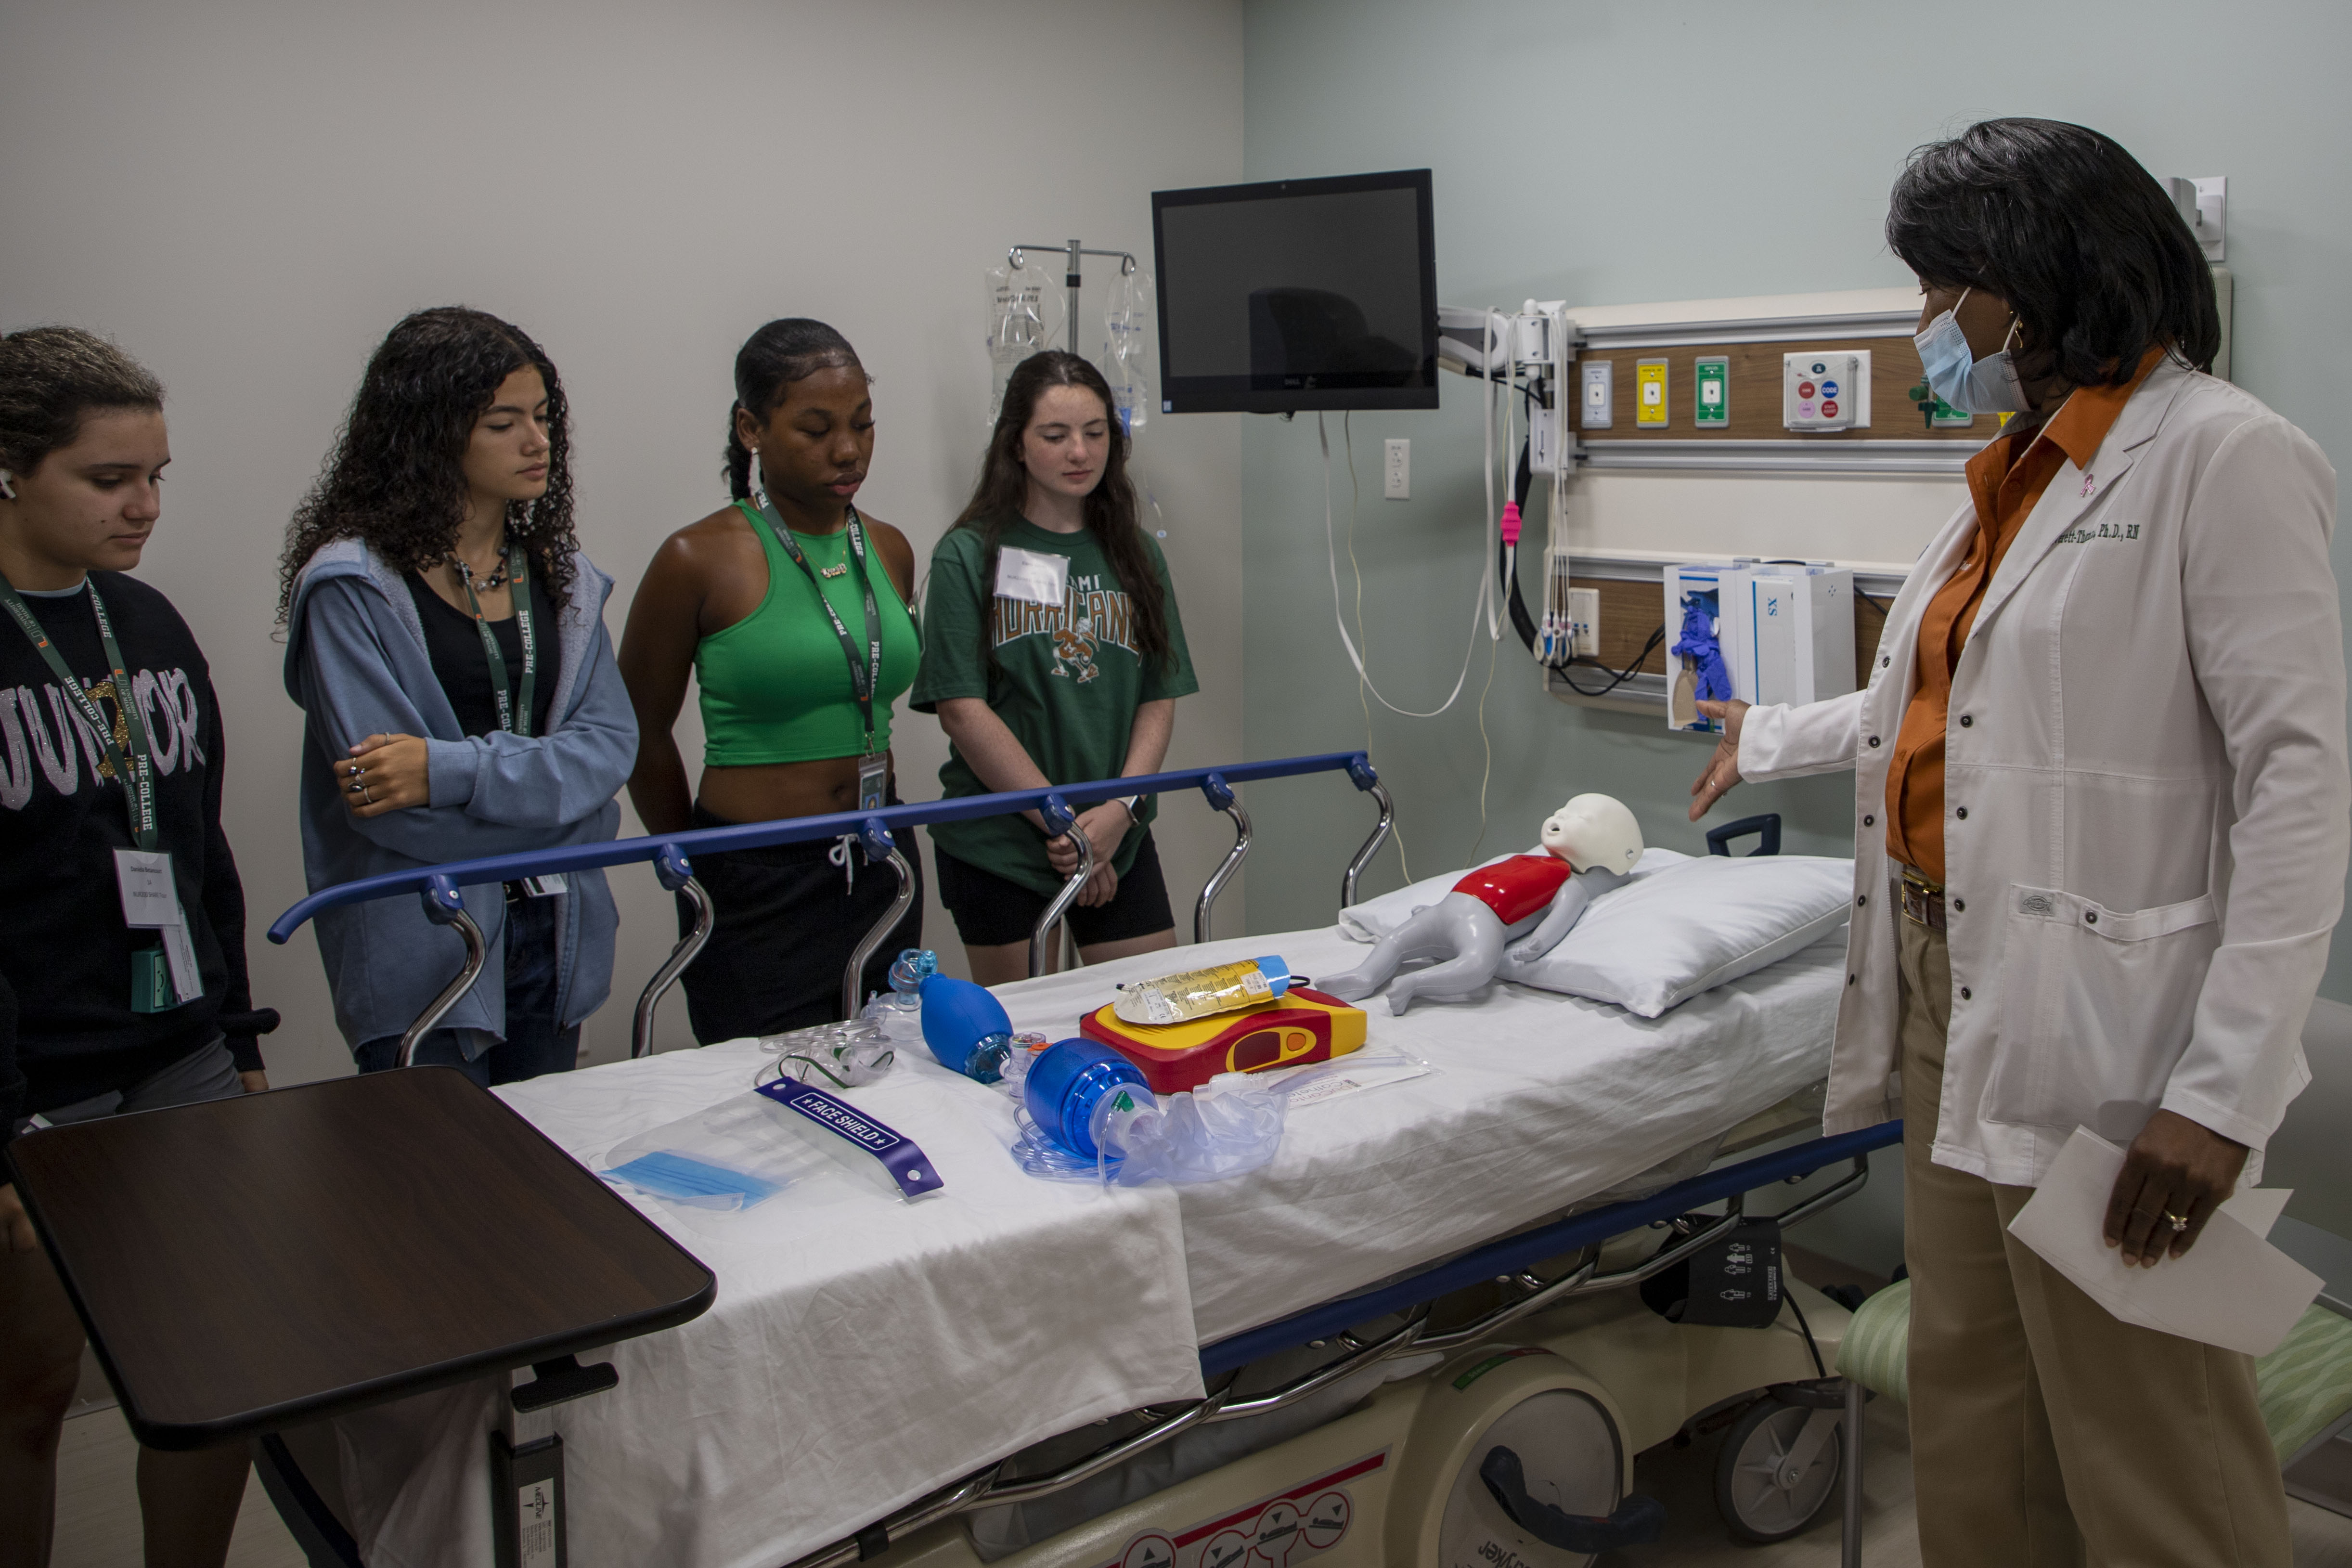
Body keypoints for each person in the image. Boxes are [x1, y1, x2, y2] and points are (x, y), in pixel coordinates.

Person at [1688, 119, 2346, 1567]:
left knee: (2145, 1432)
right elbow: (1932, 703)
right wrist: (1769, 737)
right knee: (1975, 1401)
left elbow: (2300, 788)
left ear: (2029, 279)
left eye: (1939, 287)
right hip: (1946, 986)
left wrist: (2221, 1096)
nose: (1923, 322)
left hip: (2115, 1036)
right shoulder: (2012, 473)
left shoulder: (2223, 458)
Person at [0, 326, 276, 1565]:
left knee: (211, 1366)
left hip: (182, 1051)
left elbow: (200, 849)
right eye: (109, 479)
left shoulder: (148, 622)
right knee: (31, 1388)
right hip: (38, 1082)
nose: (144, 505)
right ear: (11, 471)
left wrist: (240, 1033)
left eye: (157, 474)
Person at [281, 308, 634, 1081]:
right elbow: (392, 805)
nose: (538, 442)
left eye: (543, 417)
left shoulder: (565, 579)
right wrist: (566, 815)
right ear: (429, 434)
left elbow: (608, 750)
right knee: (438, 1192)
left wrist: (449, 771)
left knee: (543, 1181)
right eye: (503, 422)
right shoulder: (350, 587)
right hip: (423, 942)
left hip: (556, 925)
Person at [619, 320, 923, 1041]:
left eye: (862, 425)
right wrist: (690, 860)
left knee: (892, 1072)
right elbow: (638, 727)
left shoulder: (888, 547)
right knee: (767, 1091)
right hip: (754, 873)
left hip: (881, 853)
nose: (847, 450)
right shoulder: (696, 557)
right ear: (751, 427)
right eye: (815, 429)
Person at [912, 351, 1197, 985]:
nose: (1080, 452)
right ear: (1015, 443)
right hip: (1002, 843)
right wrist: (1065, 825)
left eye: (1095, 433)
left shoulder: (1135, 552)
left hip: (1115, 827)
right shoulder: (969, 554)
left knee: (1152, 1008)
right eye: (1056, 435)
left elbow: (1159, 692)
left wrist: (1119, 809)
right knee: (1020, 1044)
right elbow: (962, 708)